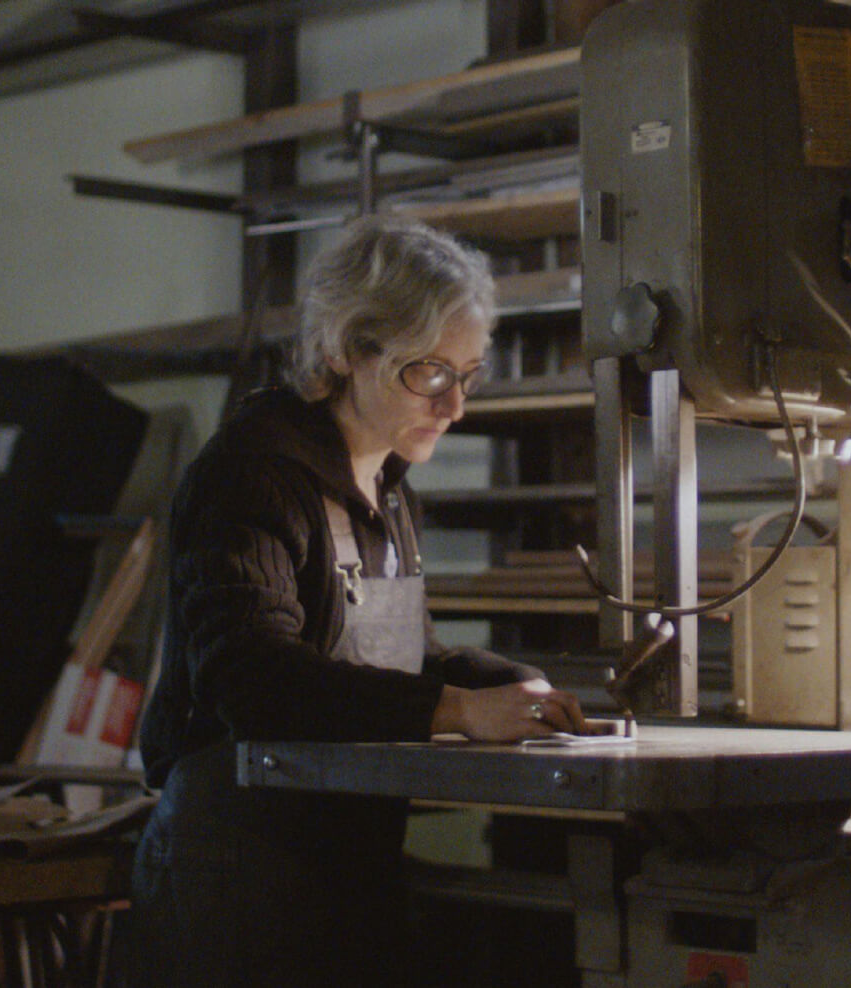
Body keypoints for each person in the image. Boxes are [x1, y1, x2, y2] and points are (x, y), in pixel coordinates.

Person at [128, 213, 589, 987]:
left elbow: (403, 662)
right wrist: (459, 711)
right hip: (235, 868)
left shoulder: (388, 491)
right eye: (428, 373)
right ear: (345, 350)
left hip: (343, 858)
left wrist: (511, 685)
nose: (455, 406)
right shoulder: (252, 475)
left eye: (468, 374)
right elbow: (251, 677)